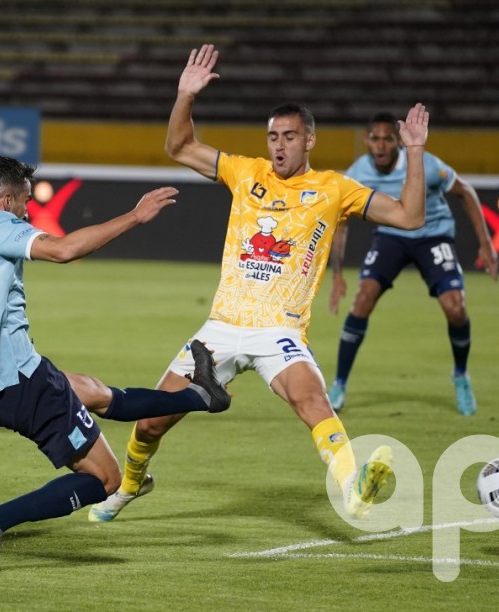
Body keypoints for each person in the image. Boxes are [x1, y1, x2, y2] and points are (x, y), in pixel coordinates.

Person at [88, 44, 429, 524]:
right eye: (273, 137)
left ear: (309, 140)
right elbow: (179, 147)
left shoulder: (335, 188)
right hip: (222, 327)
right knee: (149, 423)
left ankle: (354, 488)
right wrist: (185, 95)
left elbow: (411, 216)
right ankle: (129, 484)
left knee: (311, 399)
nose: (279, 146)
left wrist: (414, 151)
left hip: (278, 330)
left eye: (289, 136)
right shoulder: (246, 171)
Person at [0, 154, 231, 578]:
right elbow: (65, 250)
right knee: (106, 480)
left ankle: (200, 395)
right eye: (25, 202)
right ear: (6, 200)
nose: (27, 211)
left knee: (92, 390)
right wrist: (136, 217)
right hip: (20, 383)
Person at [327, 112, 499, 416]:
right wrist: (338, 274)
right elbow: (341, 223)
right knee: (362, 298)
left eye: (388, 139)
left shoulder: (426, 165)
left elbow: (466, 192)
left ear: (399, 142)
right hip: (391, 237)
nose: (381, 145)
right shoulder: (358, 173)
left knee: (455, 307)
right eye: (375, 138)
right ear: (366, 140)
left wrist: (486, 243)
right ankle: (339, 384)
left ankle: (460, 376)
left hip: (433, 235)